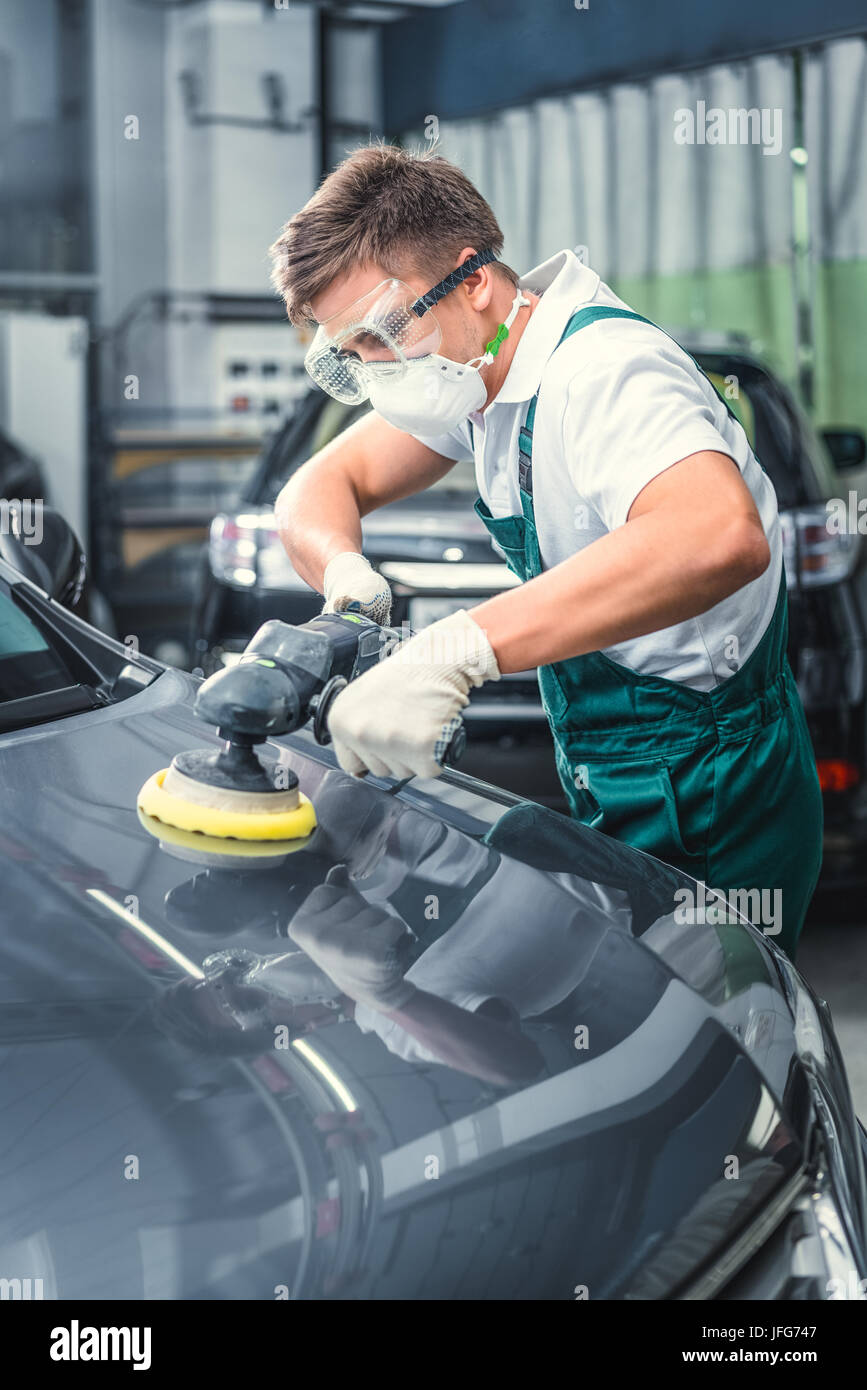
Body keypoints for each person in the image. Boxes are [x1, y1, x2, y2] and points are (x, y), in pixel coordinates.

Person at [267, 144, 822, 958]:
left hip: (709, 788)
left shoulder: (603, 373)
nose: (376, 370)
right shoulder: (472, 373)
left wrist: (454, 653)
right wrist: (351, 589)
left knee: (690, 1054)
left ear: (476, 281)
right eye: (349, 357)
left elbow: (715, 535)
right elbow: (317, 489)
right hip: (614, 762)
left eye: (382, 335)